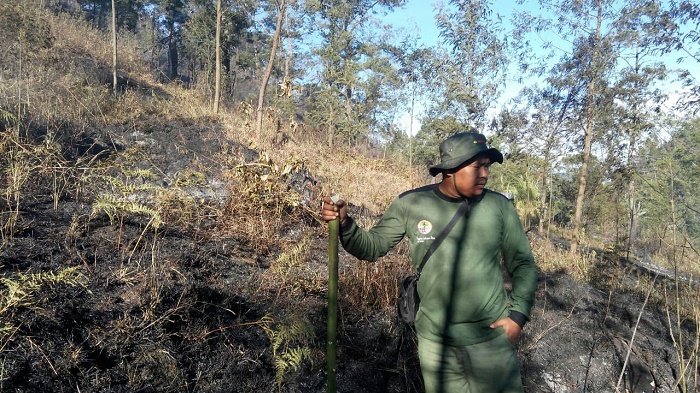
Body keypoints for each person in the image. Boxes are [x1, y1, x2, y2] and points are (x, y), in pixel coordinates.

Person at [321, 132, 538, 393]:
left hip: (489, 340)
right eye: (477, 166)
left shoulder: (498, 207)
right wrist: (345, 224)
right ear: (450, 170)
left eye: (487, 167)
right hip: (436, 345)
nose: (485, 174)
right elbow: (372, 247)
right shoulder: (411, 204)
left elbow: (523, 264)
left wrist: (517, 316)